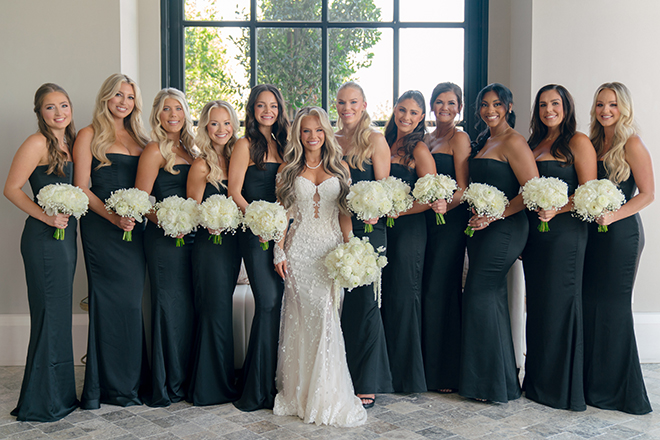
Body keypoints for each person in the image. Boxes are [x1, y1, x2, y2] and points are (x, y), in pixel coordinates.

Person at [273, 106, 367, 427]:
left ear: (326, 132)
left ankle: (327, 395)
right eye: (305, 131)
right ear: (298, 135)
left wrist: (350, 245)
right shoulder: (288, 169)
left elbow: (344, 213)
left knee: (328, 317)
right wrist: (278, 251)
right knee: (302, 321)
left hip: (330, 252)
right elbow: (283, 215)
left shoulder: (340, 168)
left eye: (318, 130)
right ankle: (300, 394)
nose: (312, 137)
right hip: (298, 252)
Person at [73, 73, 150, 409]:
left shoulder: (141, 136)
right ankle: (108, 387)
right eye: (118, 95)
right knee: (107, 304)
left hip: (133, 230)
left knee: (132, 305)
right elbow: (81, 187)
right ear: (106, 97)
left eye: (130, 97)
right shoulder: (89, 134)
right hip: (102, 228)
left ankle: (131, 381)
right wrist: (113, 217)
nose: (123, 102)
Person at [459, 83, 538, 403]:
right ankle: (501, 382)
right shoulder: (484, 141)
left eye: (496, 104)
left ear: (508, 107)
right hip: (480, 229)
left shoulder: (514, 141)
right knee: (490, 297)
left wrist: (497, 214)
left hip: (506, 228)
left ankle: (491, 384)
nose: (490, 110)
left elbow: (531, 190)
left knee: (479, 293)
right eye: (484, 105)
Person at [4, 83, 79, 421]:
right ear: (40, 113)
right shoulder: (37, 143)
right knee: (49, 315)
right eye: (50, 107)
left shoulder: (72, 143)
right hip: (43, 238)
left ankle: (59, 395)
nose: (59, 112)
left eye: (63, 105)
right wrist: (46, 215)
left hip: (67, 238)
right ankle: (42, 402)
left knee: (59, 315)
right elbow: (11, 189)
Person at [521, 84, 596, 411]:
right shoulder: (533, 143)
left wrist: (559, 208)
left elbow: (590, 192)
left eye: (555, 104)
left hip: (566, 233)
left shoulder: (578, 141)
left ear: (566, 107)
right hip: (536, 234)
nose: (548, 110)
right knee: (537, 305)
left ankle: (562, 389)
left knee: (561, 304)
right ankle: (537, 382)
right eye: (542, 105)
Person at [582, 82, 654, 414]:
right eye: (600, 104)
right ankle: (592, 385)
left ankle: (619, 392)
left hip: (621, 234)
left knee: (613, 307)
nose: (605, 110)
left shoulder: (632, 143)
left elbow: (647, 193)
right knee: (590, 305)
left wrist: (613, 215)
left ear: (623, 108)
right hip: (592, 233)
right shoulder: (592, 142)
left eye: (612, 104)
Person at [228, 84, 289, 411]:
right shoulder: (244, 144)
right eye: (261, 106)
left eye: (274, 106)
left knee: (279, 304)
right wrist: (259, 220)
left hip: (283, 234)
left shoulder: (285, 143)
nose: (268, 111)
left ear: (280, 109)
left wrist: (280, 227)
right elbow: (235, 192)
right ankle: (256, 388)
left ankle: (273, 380)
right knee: (268, 302)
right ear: (252, 110)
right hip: (255, 234)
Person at [135, 88, 195, 407]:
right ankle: (168, 381)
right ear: (157, 114)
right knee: (168, 307)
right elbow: (142, 201)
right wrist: (169, 223)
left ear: (186, 113)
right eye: (166, 109)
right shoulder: (154, 150)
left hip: (192, 240)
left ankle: (187, 377)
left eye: (179, 109)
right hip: (163, 240)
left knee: (187, 307)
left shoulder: (192, 148)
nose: (173, 115)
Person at [334, 81, 393, 407]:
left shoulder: (375, 140)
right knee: (341, 304)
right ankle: (340, 374)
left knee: (366, 304)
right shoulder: (329, 139)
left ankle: (367, 381)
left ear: (364, 103)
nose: (347, 108)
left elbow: (385, 190)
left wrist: (375, 212)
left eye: (353, 102)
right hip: (336, 227)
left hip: (370, 230)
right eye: (342, 102)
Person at [187, 100, 242, 405]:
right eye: (214, 124)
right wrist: (210, 221)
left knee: (222, 309)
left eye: (226, 123)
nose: (221, 129)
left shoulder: (237, 158)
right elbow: (192, 208)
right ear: (206, 128)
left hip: (231, 247)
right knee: (213, 310)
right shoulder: (201, 164)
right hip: (209, 247)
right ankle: (209, 387)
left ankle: (222, 379)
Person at [381, 90, 436, 393]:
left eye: (413, 113)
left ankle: (406, 376)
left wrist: (399, 211)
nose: (406, 117)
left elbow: (430, 197)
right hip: (385, 229)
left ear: (421, 118)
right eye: (402, 110)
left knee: (404, 297)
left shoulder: (419, 150)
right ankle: (385, 369)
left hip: (410, 230)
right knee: (387, 296)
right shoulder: (384, 142)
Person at [421, 82, 470, 393]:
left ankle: (446, 373)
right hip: (427, 221)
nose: (444, 108)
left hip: (449, 223)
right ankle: (427, 367)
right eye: (439, 102)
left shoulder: (459, 138)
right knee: (428, 290)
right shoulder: (427, 138)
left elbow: (463, 186)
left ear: (459, 108)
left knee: (442, 291)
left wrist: (445, 204)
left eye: (451, 103)